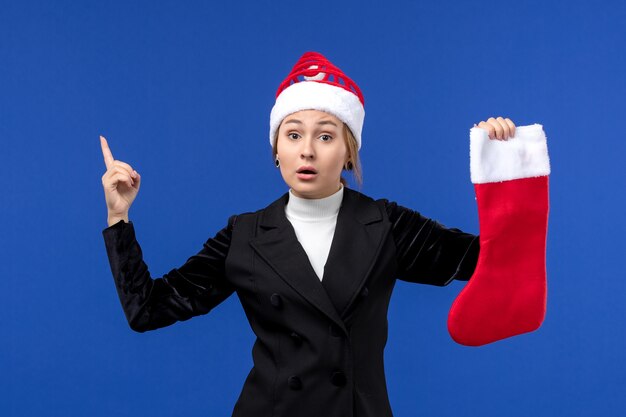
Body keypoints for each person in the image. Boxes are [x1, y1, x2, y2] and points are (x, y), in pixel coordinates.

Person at [100, 51, 520, 417]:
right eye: (294, 134)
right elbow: (148, 309)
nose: (307, 150)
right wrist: (119, 217)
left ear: (348, 151)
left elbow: (500, 259)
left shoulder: (385, 224)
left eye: (325, 135)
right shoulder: (243, 235)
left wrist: (504, 167)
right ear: (276, 149)